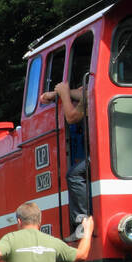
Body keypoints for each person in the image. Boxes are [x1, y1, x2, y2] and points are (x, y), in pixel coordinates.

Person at [39, 80, 89, 235]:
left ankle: (83, 223)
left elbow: (72, 117)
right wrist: (58, 93)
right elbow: (81, 92)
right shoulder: (92, 92)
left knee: (73, 175)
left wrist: (64, 94)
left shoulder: (91, 97)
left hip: (104, 156)